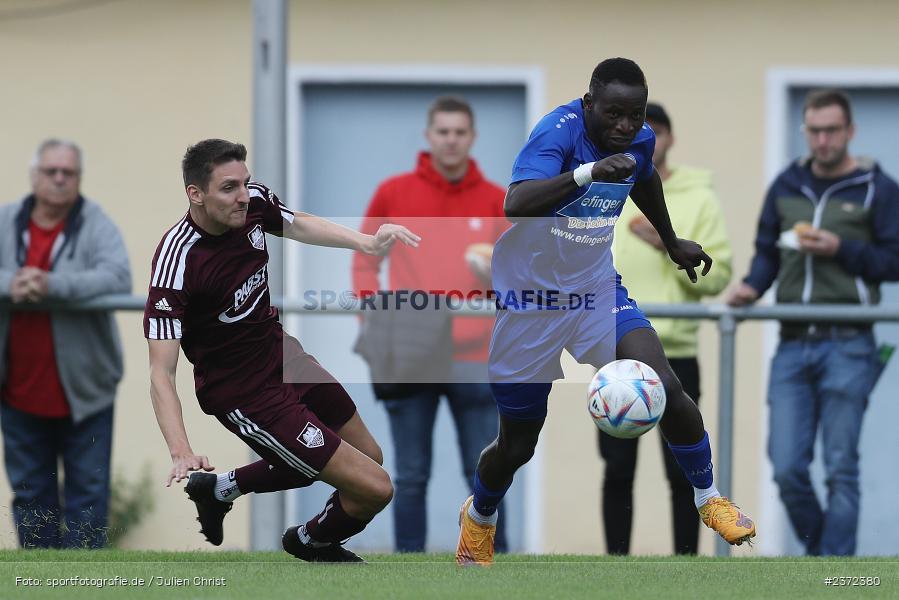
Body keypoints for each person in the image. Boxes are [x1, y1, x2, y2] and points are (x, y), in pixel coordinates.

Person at [455, 58, 756, 566]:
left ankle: (710, 499)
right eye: (614, 114)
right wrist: (588, 173)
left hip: (595, 292)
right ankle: (480, 516)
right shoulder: (557, 131)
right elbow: (517, 202)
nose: (625, 126)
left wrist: (670, 239)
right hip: (531, 304)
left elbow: (644, 179)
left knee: (665, 385)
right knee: (518, 445)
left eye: (635, 115)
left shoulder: (637, 139)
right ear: (589, 103)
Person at [144, 139, 419, 562]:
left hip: (283, 355)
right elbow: (161, 373)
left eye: (245, 183)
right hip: (244, 391)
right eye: (228, 188)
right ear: (195, 194)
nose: (243, 196)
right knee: (375, 487)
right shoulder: (178, 260)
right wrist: (180, 449)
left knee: (369, 457)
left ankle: (221, 491)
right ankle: (309, 542)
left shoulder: (252, 203)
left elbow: (296, 222)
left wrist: (366, 242)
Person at [726, 90, 899, 556]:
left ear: (850, 132)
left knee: (841, 466)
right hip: (792, 343)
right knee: (786, 467)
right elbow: (766, 253)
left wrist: (840, 249)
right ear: (805, 132)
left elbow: (894, 261)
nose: (823, 140)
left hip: (850, 344)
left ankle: (832, 571)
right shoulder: (787, 184)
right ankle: (823, 555)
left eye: (832, 131)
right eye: (814, 131)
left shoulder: (877, 188)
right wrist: (751, 288)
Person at [352, 95, 508, 553]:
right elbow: (365, 260)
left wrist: (495, 278)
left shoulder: (498, 199)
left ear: (472, 137)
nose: (452, 140)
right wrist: (372, 319)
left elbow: (522, 275)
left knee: (487, 473)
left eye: (460, 131)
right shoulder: (393, 191)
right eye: (443, 131)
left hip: (476, 355)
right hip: (411, 355)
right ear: (429, 136)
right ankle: (408, 566)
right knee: (410, 473)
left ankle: (495, 562)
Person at [601, 102, 733, 555]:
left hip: (675, 348)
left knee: (682, 470)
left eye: (652, 132)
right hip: (617, 346)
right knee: (617, 467)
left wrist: (665, 242)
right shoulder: (607, 189)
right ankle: (615, 564)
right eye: (635, 129)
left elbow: (716, 277)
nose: (641, 138)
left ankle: (687, 565)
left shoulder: (700, 199)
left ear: (669, 140)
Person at [0, 139, 131, 548]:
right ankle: (39, 586)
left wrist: (51, 285)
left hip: (87, 395)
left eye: (68, 173)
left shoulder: (96, 223)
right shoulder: (6, 220)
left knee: (88, 502)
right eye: (51, 171)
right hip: (17, 393)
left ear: (78, 179)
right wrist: (12, 284)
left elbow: (117, 277)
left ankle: (82, 588)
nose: (59, 179)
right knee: (31, 500)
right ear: (34, 176)